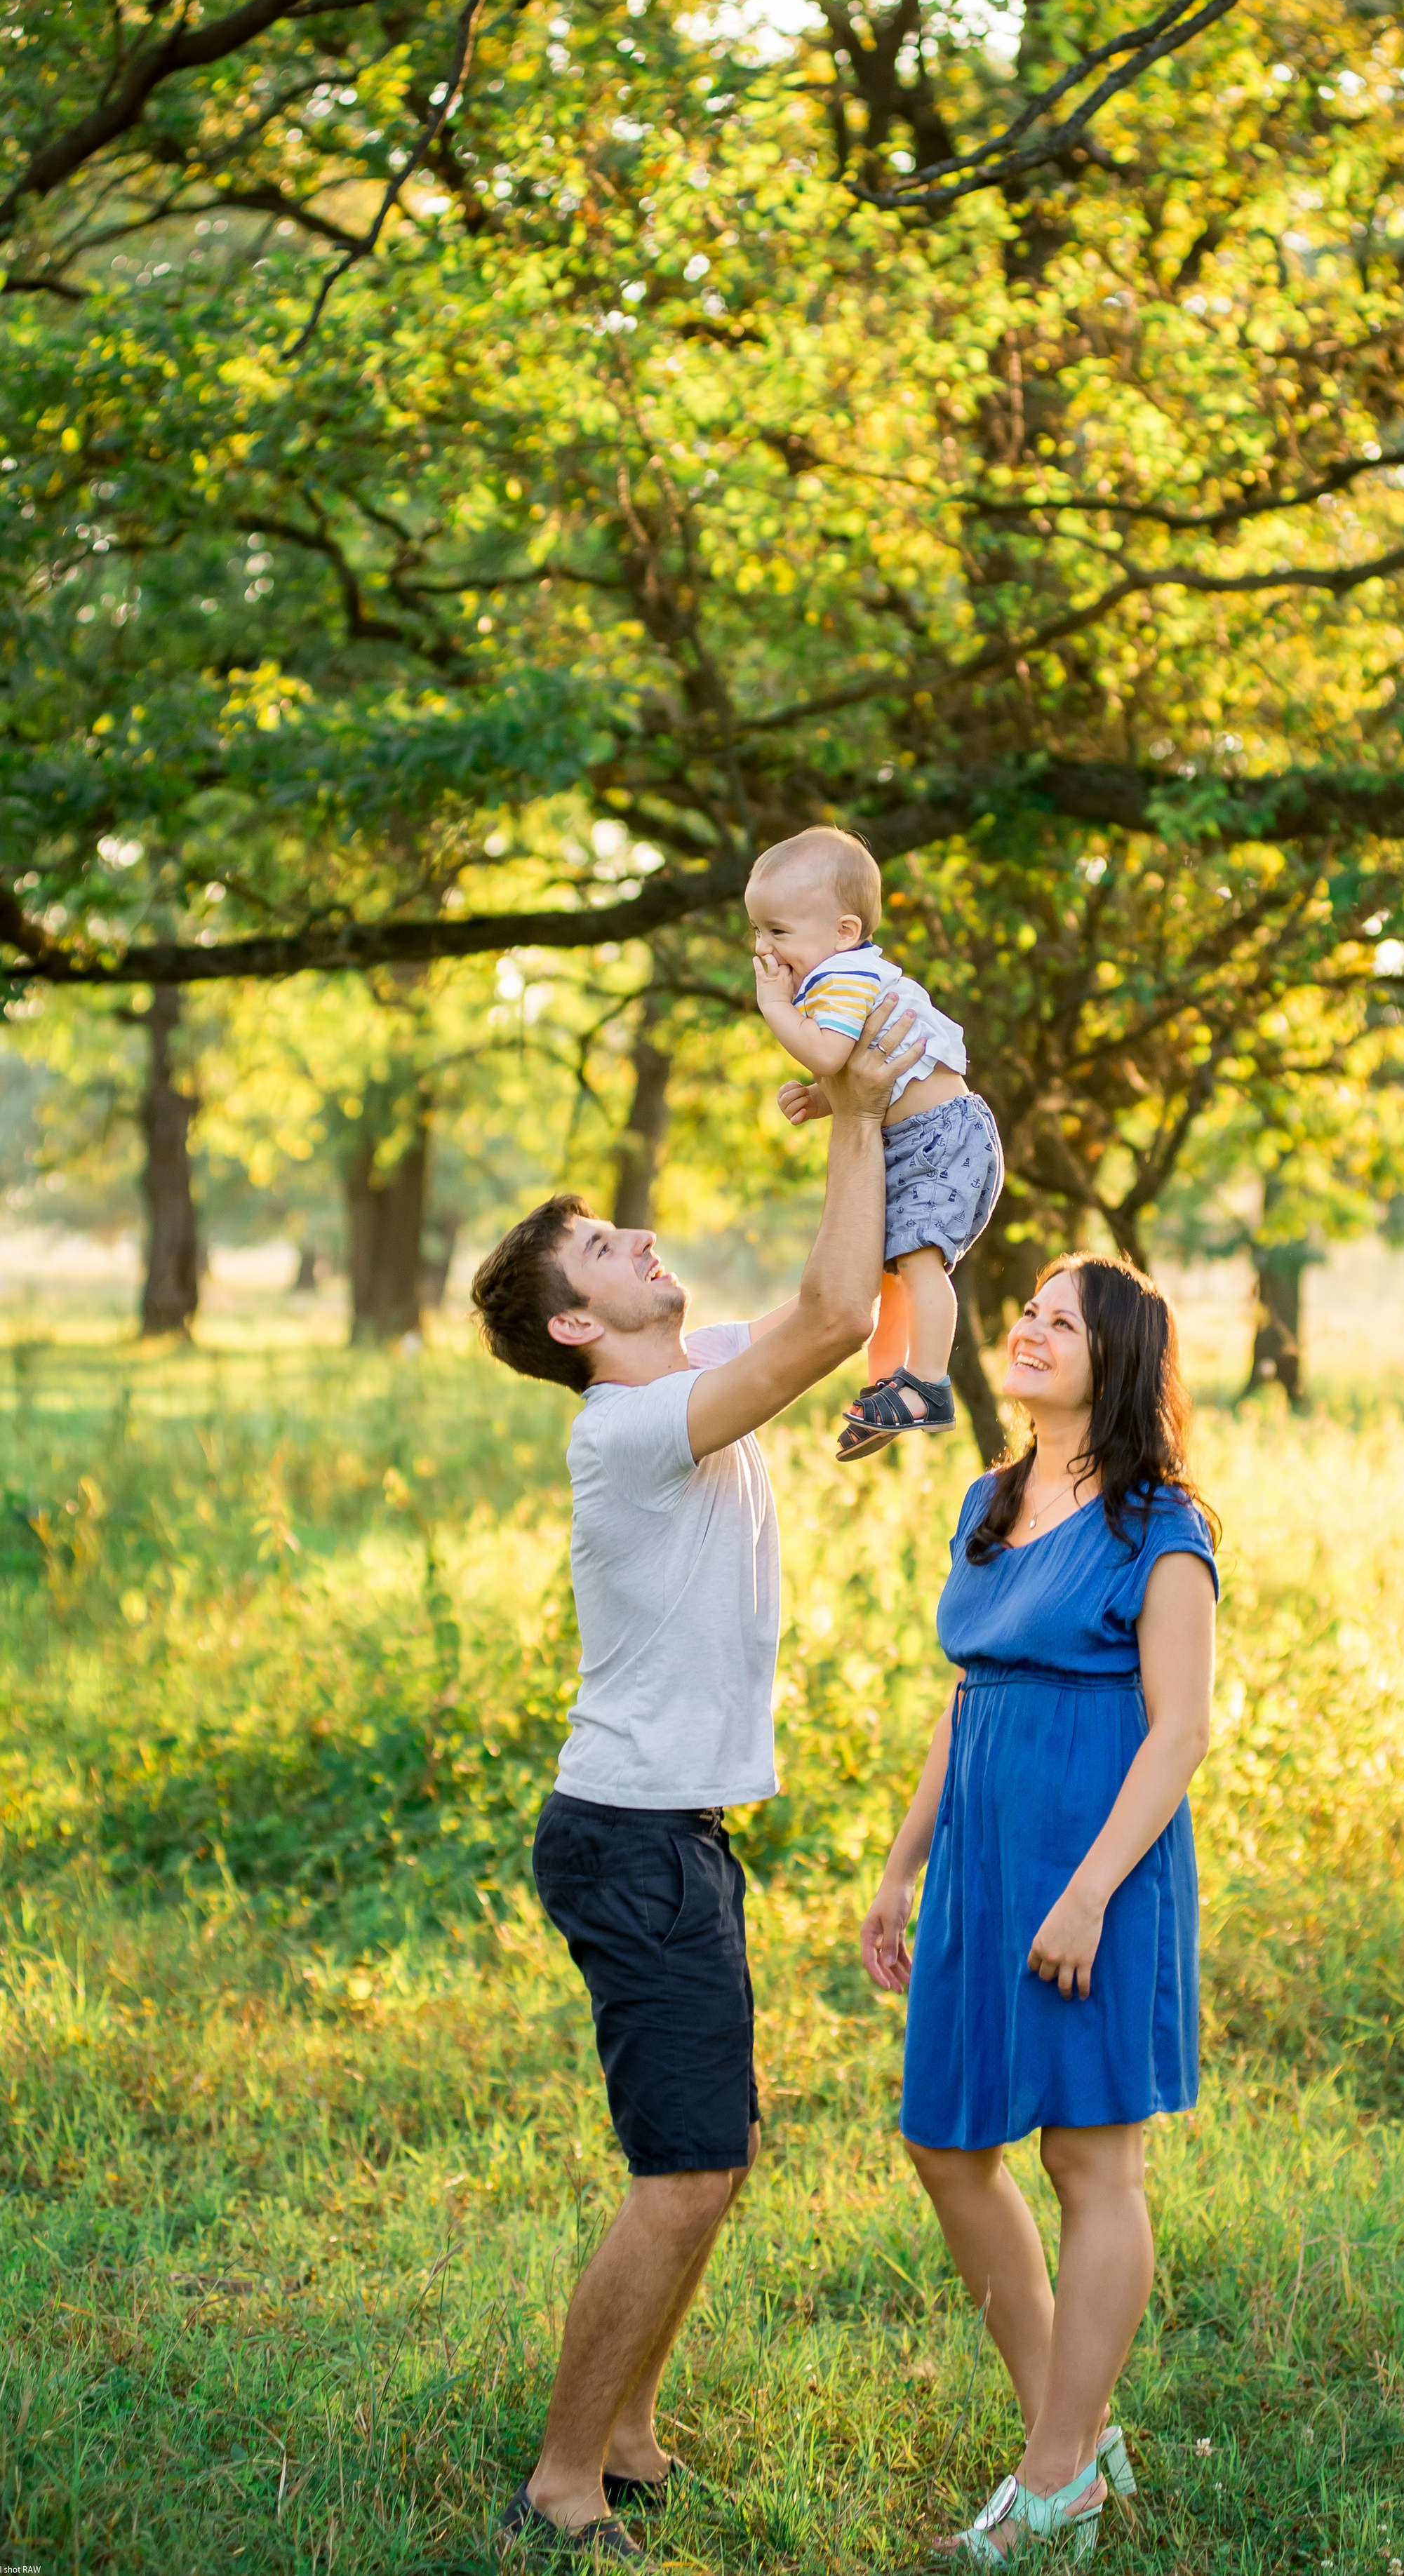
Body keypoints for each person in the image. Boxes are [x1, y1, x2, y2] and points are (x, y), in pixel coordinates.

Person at [469, 993, 922, 2567]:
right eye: (601, 1248)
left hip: (672, 1832)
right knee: (683, 2172)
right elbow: (814, 1322)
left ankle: (630, 2434)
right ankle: (560, 2479)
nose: (641, 1236)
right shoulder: (627, 1428)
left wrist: (881, 1107)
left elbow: (846, 1309)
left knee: (711, 2157)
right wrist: (851, 1098)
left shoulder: (682, 1371)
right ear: (577, 1327)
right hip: (629, 1836)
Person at [860, 1254, 1217, 2563]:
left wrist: (1085, 1896)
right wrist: (905, 1864)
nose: (1030, 1328)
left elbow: (1178, 1735)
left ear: (1115, 1361)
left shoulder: (1159, 1526)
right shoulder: (987, 1499)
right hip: (980, 1861)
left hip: (1097, 1868)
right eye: (1028, 1312)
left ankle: (1055, 2470)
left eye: (1063, 1321)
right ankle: (1066, 2437)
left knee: (1089, 2160)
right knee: (948, 2143)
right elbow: (968, 1700)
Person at [744, 824, 1004, 1460]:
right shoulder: (840, 978)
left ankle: (930, 1384)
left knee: (918, 1262)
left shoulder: (844, 977)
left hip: (940, 1138)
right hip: (922, 1135)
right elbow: (868, 1069)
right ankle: (888, 1387)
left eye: (778, 932)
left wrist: (775, 1008)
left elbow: (831, 1049)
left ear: (844, 931)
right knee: (888, 1272)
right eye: (757, 931)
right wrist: (823, 1099)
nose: (764, 949)